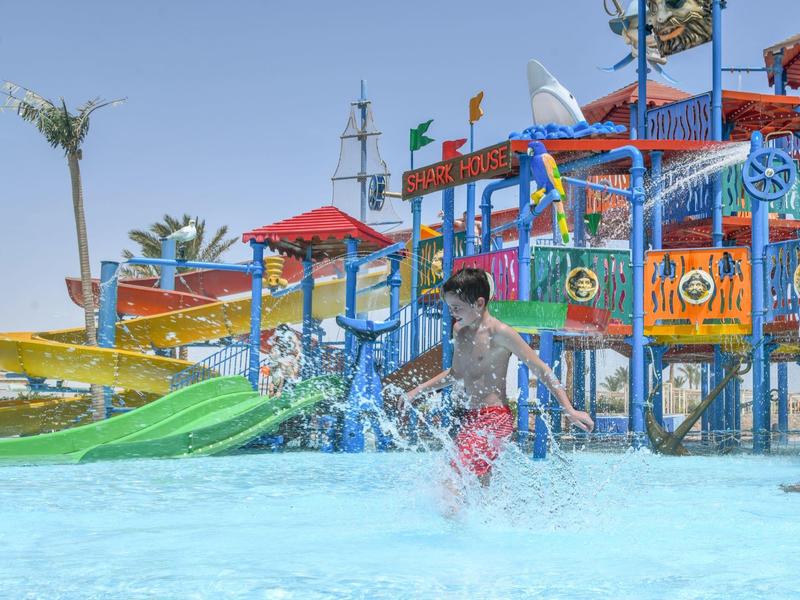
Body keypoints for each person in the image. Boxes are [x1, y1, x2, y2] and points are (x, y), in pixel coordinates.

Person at [405, 267, 594, 490]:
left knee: (452, 478)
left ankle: (449, 524)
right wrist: (418, 390)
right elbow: (456, 374)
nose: (452, 313)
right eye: (449, 307)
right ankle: (483, 521)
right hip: (471, 418)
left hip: (495, 419)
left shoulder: (500, 333)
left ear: (479, 303)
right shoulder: (460, 331)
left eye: (457, 308)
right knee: (477, 486)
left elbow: (542, 369)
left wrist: (568, 408)